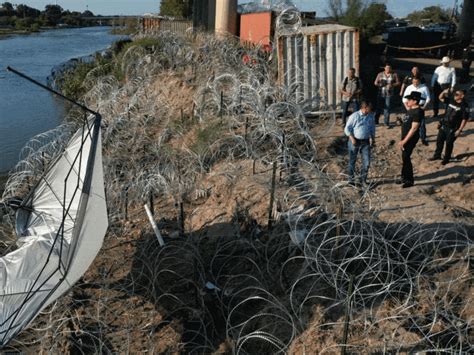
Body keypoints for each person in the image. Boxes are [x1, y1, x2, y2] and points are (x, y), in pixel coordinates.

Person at [429, 89, 470, 165]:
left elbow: (464, 119)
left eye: (457, 94)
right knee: (439, 141)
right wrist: (443, 92)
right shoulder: (451, 100)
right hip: (444, 125)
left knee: (449, 143)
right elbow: (440, 98)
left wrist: (460, 130)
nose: (455, 95)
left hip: (453, 128)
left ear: (462, 96)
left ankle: (446, 158)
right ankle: (437, 155)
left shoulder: (464, 106)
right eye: (455, 94)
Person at [344, 102, 375, 187]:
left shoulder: (370, 116)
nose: (370, 110)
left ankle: (363, 180)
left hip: (365, 142)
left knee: (367, 162)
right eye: (369, 108)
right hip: (354, 141)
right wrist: (352, 138)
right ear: (365, 108)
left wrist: (373, 138)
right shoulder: (355, 116)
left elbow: (372, 128)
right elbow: (347, 128)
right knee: (352, 161)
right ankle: (351, 180)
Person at [398, 91, 422, 188]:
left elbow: (414, 128)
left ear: (415, 101)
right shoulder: (411, 110)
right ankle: (404, 177)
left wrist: (404, 141)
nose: (407, 101)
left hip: (410, 138)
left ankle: (409, 180)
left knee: (406, 157)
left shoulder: (418, 112)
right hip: (405, 136)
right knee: (404, 157)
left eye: (410, 99)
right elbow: (408, 123)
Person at [402, 77, 431, 146]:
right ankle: (409, 137)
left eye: (416, 82)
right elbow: (404, 98)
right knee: (409, 123)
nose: (415, 83)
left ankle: (423, 138)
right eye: (413, 82)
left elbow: (428, 98)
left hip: (420, 106)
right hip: (410, 107)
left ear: (419, 81)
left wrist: (424, 107)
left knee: (422, 124)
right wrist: (407, 107)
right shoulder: (409, 87)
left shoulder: (424, 87)